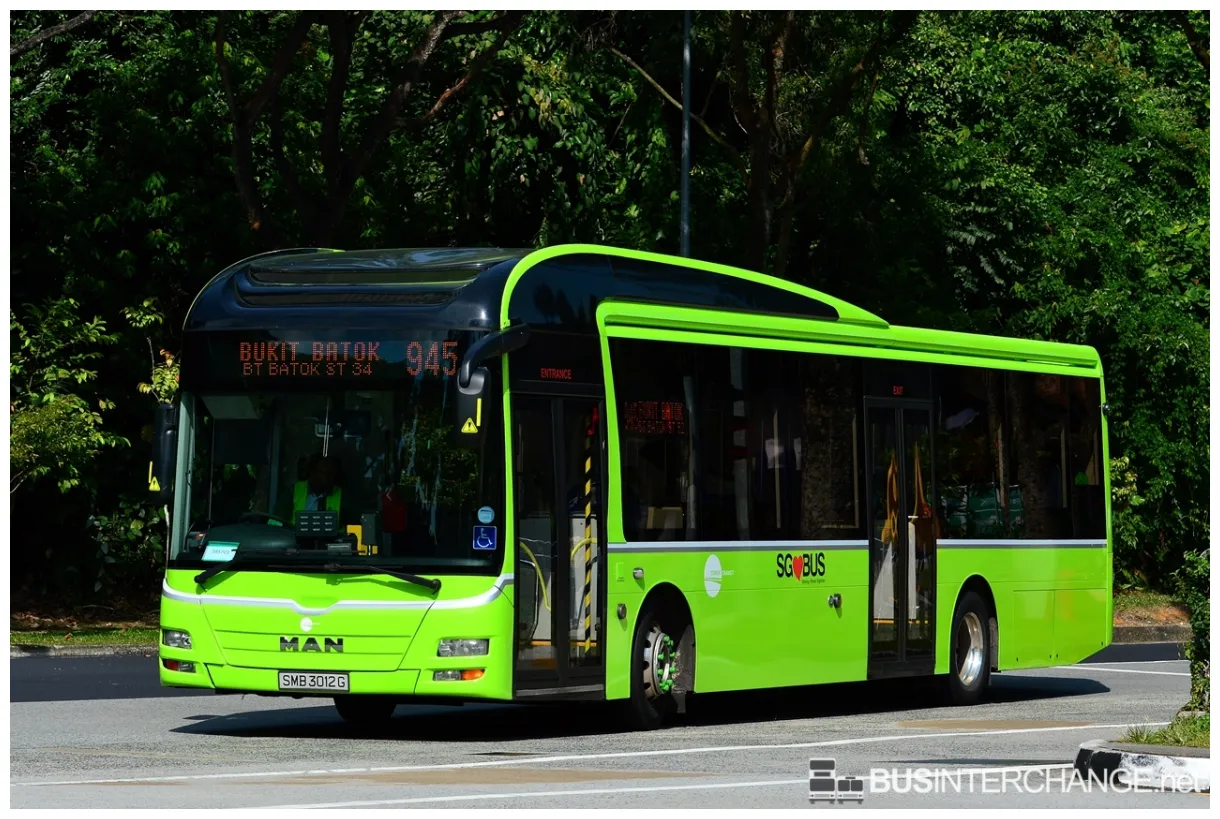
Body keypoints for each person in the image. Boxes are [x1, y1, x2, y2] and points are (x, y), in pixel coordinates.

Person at [292, 453, 344, 525]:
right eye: (323, 472)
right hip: (295, 535)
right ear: (312, 472)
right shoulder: (294, 490)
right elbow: (276, 521)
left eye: (331, 473)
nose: (327, 477)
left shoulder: (342, 496)